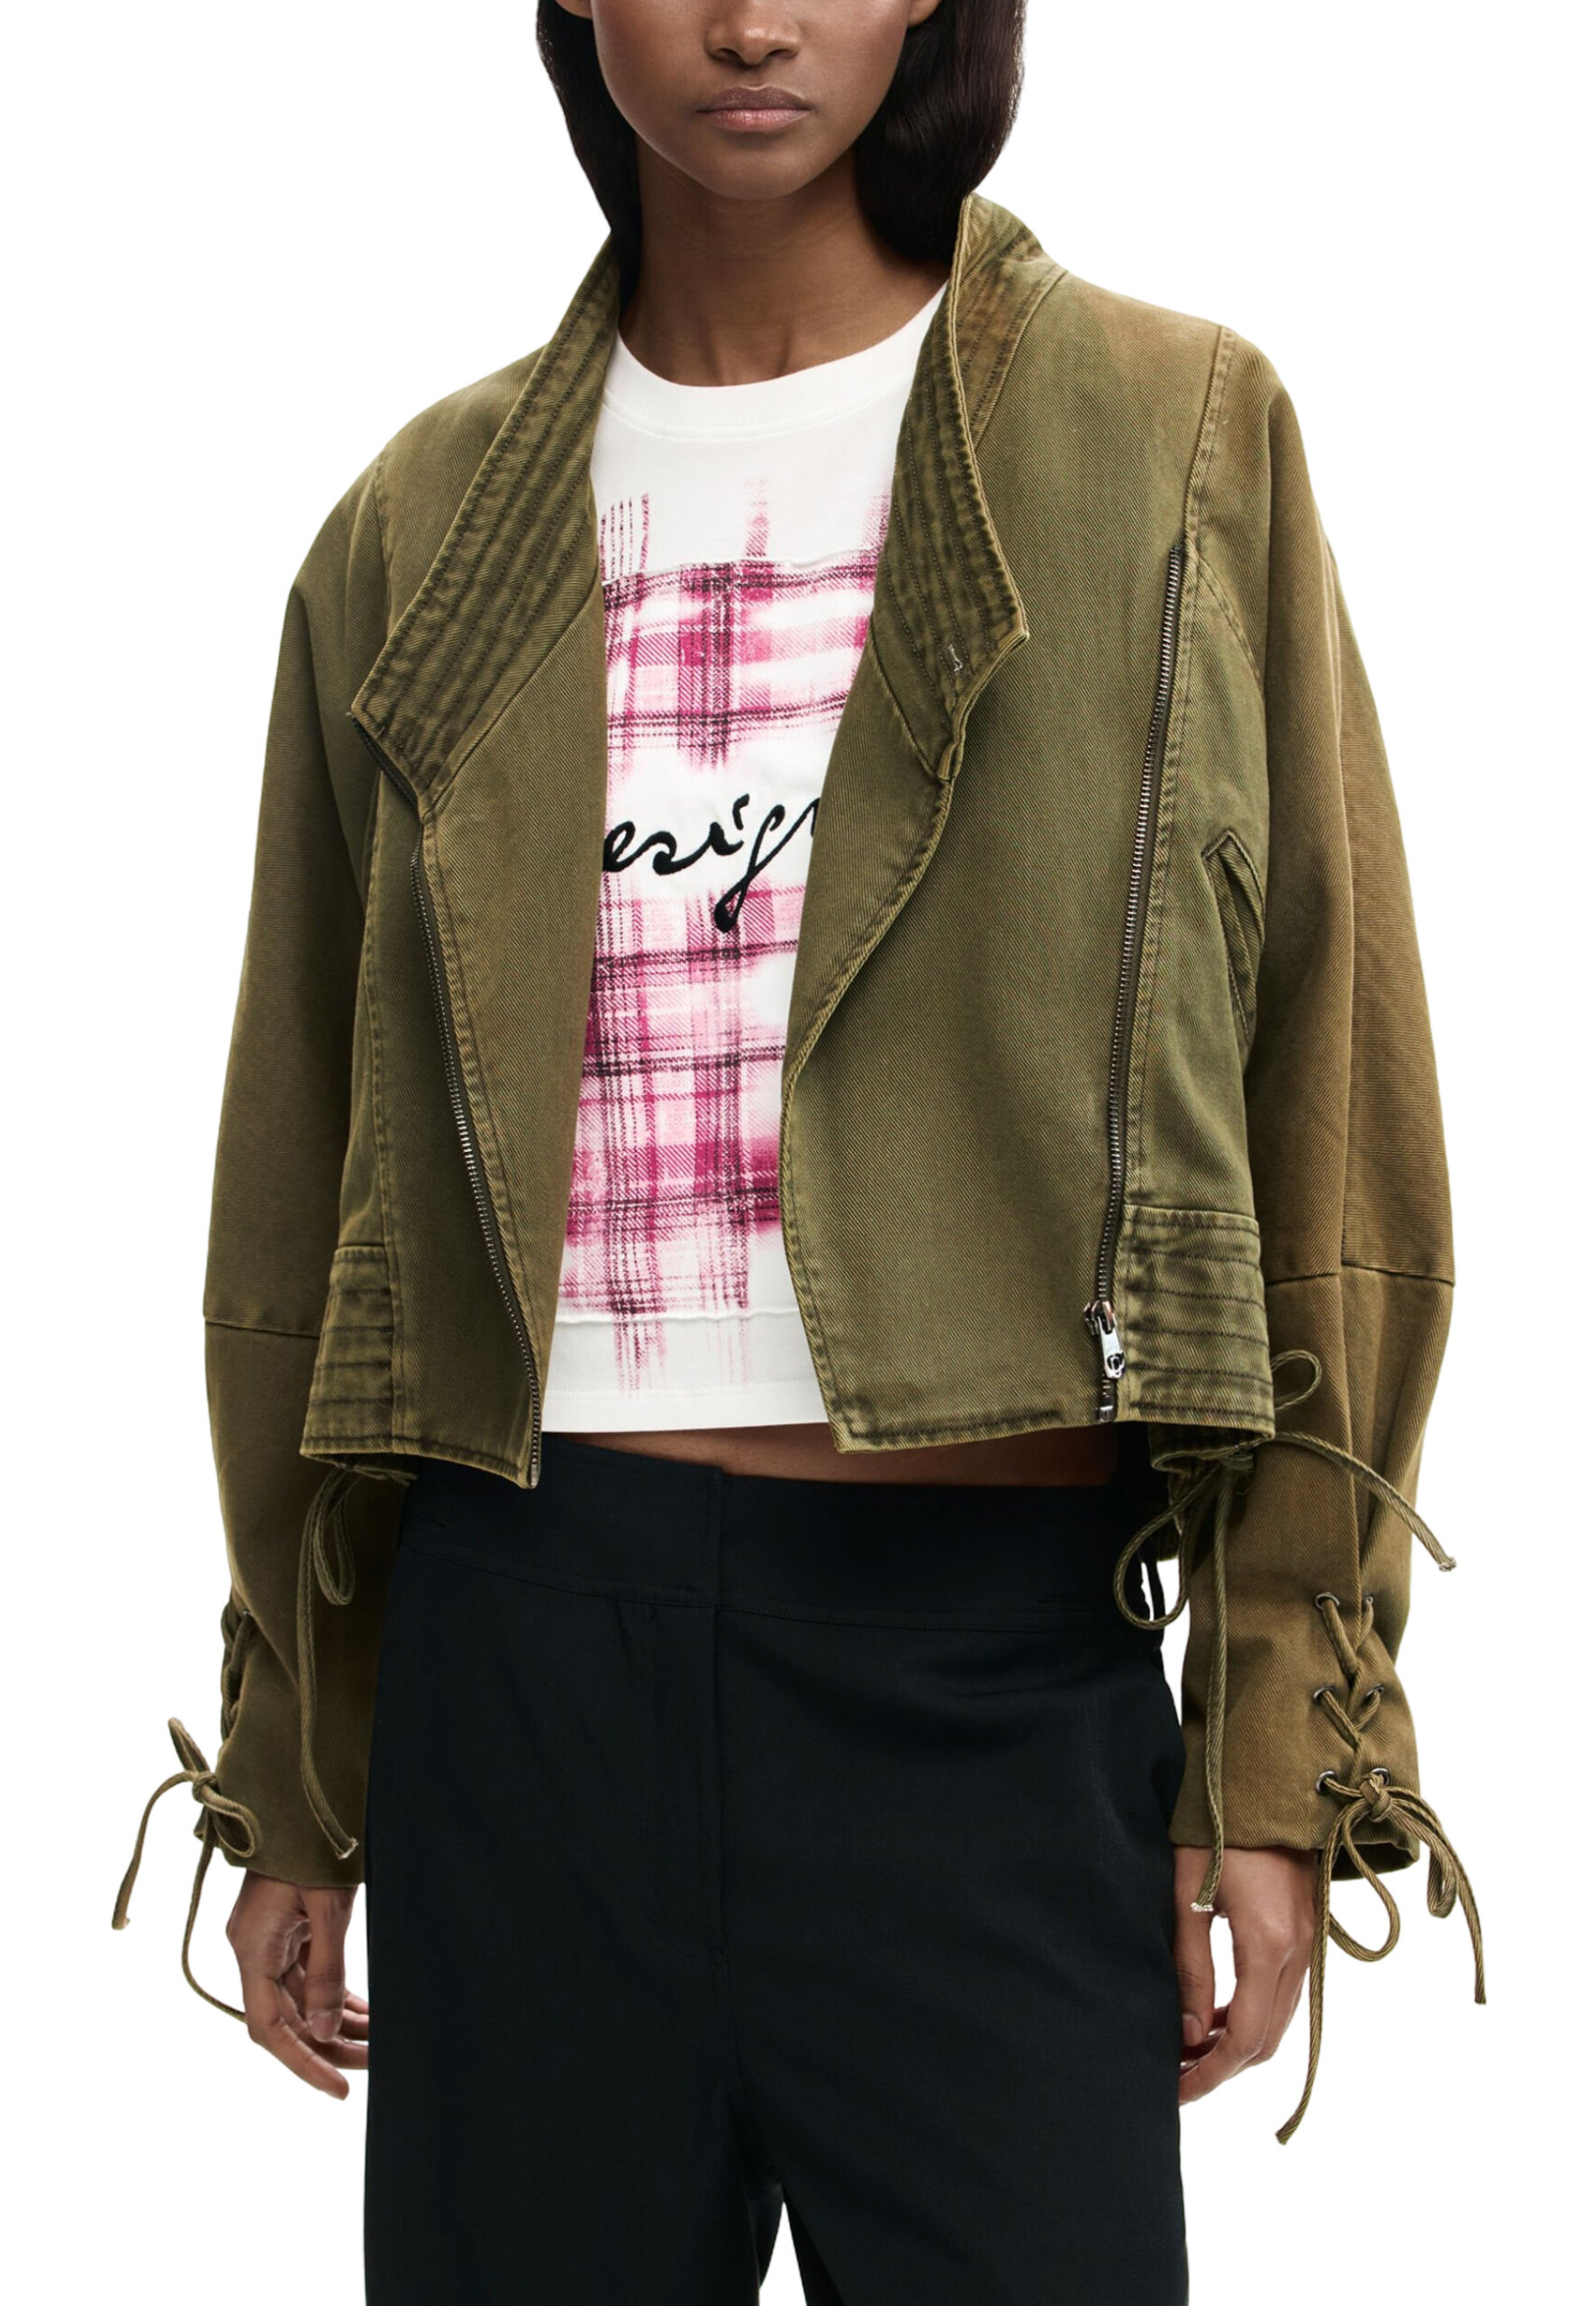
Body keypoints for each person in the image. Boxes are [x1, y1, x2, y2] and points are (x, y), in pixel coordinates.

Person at [113, 3, 1483, 2299]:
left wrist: (1277, 1722)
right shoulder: (417, 524)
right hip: (520, 1665)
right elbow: (300, 1174)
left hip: (986, 1672)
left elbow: (1330, 1100)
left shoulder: (1172, 440)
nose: (751, 17)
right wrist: (304, 1746)